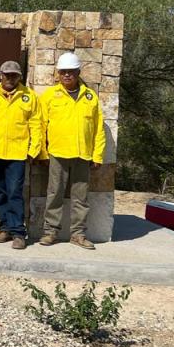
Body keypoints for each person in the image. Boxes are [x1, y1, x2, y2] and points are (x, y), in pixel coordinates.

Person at [41, 52, 105, 250]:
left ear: (78, 72)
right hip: (58, 154)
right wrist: (42, 152)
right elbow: (40, 125)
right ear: (58, 74)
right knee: (54, 194)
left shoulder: (90, 97)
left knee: (81, 198)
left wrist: (98, 155)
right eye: (63, 72)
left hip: (82, 155)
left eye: (71, 72)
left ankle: (78, 234)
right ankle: (50, 232)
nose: (67, 75)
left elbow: (98, 128)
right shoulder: (50, 96)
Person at [0, 60, 42, 250]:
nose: (10, 78)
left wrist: (34, 150)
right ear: (0, 75)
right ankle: (5, 228)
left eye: (14, 75)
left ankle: (18, 232)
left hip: (17, 154)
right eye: (7, 74)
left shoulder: (29, 97)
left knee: (15, 193)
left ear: (20, 76)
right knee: (0, 193)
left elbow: (36, 124)